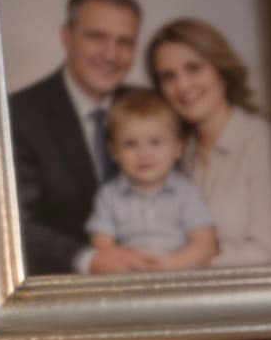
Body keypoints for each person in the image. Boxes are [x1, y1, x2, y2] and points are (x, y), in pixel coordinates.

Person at [8, 0, 151, 275]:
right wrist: (91, 259)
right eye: (97, 37)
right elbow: (12, 221)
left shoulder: (151, 107)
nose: (111, 54)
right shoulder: (19, 114)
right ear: (67, 36)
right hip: (63, 292)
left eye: (124, 42)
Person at [147, 16, 271, 267]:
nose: (182, 85)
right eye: (169, 77)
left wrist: (182, 272)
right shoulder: (180, 153)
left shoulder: (264, 143)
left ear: (221, 71)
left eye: (193, 68)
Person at [86, 90, 219, 270]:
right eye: (130, 144)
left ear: (177, 148)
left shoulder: (186, 192)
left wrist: (172, 264)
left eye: (155, 142)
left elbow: (205, 245)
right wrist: (124, 262)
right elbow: (102, 244)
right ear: (114, 151)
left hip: (177, 273)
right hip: (130, 274)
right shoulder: (109, 195)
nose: (143, 154)